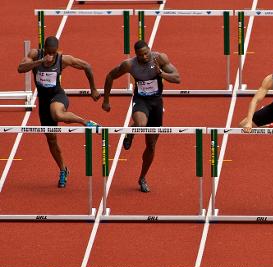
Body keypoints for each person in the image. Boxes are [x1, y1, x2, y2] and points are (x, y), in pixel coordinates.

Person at [17, 36, 100, 188]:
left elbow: (86, 66)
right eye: (49, 52)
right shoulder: (35, 54)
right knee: (51, 139)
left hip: (58, 96)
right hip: (43, 101)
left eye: (54, 53)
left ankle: (85, 122)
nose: (51, 56)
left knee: (57, 114)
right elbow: (20, 68)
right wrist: (40, 62)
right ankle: (63, 169)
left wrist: (93, 89)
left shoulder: (62, 59)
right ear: (44, 49)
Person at [102, 40, 180, 192]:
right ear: (135, 55)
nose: (144, 57)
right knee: (141, 124)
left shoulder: (159, 58)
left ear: (150, 50)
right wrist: (106, 100)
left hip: (156, 103)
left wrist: (161, 73)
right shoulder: (129, 65)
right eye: (140, 55)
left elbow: (177, 78)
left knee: (151, 145)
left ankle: (142, 177)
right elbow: (110, 76)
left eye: (146, 53)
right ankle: (133, 130)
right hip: (141, 100)